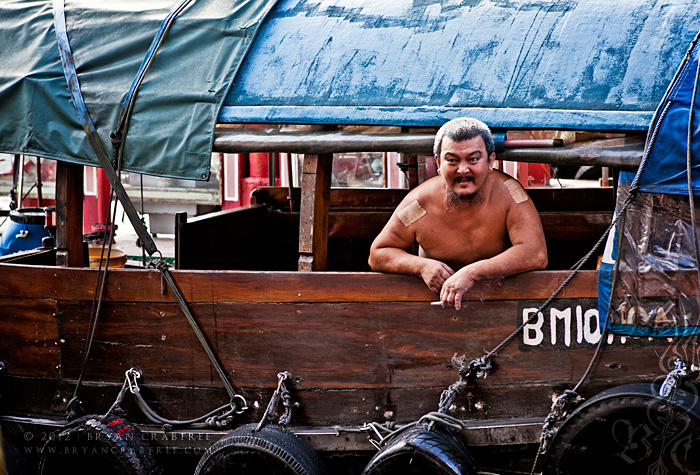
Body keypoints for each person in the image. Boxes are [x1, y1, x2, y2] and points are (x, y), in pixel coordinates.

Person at [368, 117, 547, 309]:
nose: (462, 170)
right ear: (438, 162)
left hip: (502, 304)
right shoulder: (419, 203)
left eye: (473, 159)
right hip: (436, 308)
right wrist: (422, 267)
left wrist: (473, 272)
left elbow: (536, 254)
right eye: (452, 160)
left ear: (490, 161)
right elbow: (378, 254)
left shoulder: (510, 193)